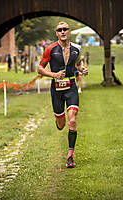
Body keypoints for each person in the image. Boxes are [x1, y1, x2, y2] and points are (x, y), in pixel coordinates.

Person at [37, 22, 88, 168]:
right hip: (56, 89)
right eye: (60, 30)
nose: (63, 31)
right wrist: (54, 74)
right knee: (62, 124)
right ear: (56, 33)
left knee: (72, 120)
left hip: (71, 87)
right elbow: (40, 69)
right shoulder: (50, 49)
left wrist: (82, 69)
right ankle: (59, 120)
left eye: (65, 29)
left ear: (69, 31)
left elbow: (78, 64)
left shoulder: (76, 48)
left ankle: (70, 156)